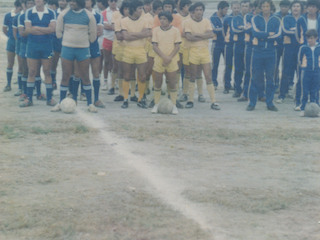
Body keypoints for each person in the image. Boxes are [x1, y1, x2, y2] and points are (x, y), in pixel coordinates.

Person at [52, 0, 98, 112]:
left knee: (85, 76)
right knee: (65, 75)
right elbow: (58, 32)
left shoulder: (89, 15)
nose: (71, 3)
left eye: (74, 1)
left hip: (83, 49)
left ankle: (90, 104)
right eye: (70, 1)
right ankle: (60, 103)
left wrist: (83, 41)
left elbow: (93, 35)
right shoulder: (63, 14)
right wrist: (68, 41)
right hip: (67, 49)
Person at [20, 0, 57, 107]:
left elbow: (52, 29)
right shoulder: (29, 12)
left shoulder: (51, 12)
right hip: (32, 47)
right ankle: (29, 99)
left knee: (47, 72)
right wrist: (44, 30)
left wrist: (36, 28)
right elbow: (28, 30)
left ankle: (49, 98)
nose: (37, 1)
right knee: (31, 71)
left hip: (48, 48)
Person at [184, 2, 220, 110]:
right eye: (197, 10)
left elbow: (211, 34)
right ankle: (190, 100)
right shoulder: (188, 22)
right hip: (193, 51)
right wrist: (204, 36)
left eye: (201, 9)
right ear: (193, 11)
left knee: (208, 76)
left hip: (204, 51)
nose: (199, 12)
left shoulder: (206, 21)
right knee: (192, 76)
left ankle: (213, 102)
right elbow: (189, 37)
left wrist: (198, 35)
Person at [247, 0, 281, 111]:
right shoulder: (255, 18)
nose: (265, 8)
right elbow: (255, 33)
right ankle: (252, 103)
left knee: (270, 78)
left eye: (267, 6)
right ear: (261, 8)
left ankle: (270, 103)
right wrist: (268, 34)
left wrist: (263, 36)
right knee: (256, 77)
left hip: (271, 52)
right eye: (263, 6)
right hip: (257, 51)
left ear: (271, 7)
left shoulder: (276, 20)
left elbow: (278, 35)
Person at [120, 0, 152, 109]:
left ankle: (140, 98)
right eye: (139, 8)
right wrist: (140, 35)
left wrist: (131, 34)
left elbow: (148, 33)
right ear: (133, 9)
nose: (141, 10)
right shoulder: (124, 21)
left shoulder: (145, 20)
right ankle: (125, 99)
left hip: (141, 50)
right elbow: (125, 36)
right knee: (127, 75)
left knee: (142, 76)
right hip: (128, 50)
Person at [151, 11, 181, 114]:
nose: (162, 21)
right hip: (159, 59)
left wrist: (169, 58)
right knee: (158, 82)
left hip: (171, 60)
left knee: (172, 83)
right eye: (161, 19)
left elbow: (177, 46)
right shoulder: (155, 30)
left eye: (165, 19)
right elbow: (155, 46)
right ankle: (156, 104)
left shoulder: (175, 31)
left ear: (169, 20)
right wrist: (164, 57)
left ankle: (174, 105)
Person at [276, 1, 303, 103]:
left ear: (301, 8)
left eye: (298, 6)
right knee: (286, 71)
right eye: (294, 6)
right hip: (289, 48)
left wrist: (294, 30)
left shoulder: (303, 18)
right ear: (291, 8)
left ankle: (299, 95)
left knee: (300, 71)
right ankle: (282, 95)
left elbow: (305, 32)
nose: (296, 8)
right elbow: (285, 31)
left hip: (300, 48)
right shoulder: (286, 18)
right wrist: (298, 31)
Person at [295, 0, 320, 109]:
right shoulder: (301, 19)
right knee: (301, 78)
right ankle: (299, 103)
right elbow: (297, 33)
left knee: (316, 81)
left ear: (317, 8)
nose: (311, 9)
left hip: (317, 49)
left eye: (314, 7)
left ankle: (315, 103)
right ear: (307, 8)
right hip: (305, 49)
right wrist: (303, 44)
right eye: (310, 7)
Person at [111, 0, 131, 102]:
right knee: (120, 69)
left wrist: (130, 36)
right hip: (120, 46)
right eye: (125, 9)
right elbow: (119, 35)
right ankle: (121, 93)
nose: (127, 11)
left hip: (132, 47)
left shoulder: (135, 20)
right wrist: (131, 36)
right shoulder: (118, 19)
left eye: (129, 9)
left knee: (131, 70)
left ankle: (130, 92)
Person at [297, 29, 320, 111]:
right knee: (305, 90)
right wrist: (304, 67)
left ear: (316, 38)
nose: (310, 40)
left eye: (312, 38)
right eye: (308, 38)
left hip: (317, 72)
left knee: (316, 89)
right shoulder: (303, 48)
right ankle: (302, 105)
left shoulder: (318, 48)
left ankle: (316, 105)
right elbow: (299, 60)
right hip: (306, 71)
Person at [17, 0, 35, 102]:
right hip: (24, 46)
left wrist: (32, 30)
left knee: (36, 70)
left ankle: (37, 91)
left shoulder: (37, 15)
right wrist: (35, 30)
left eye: (32, 3)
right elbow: (21, 34)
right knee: (25, 69)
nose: (31, 5)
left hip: (38, 46)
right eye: (29, 3)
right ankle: (24, 92)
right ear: (26, 5)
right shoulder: (21, 17)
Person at [231, 0, 250, 98]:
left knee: (248, 69)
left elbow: (254, 29)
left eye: (246, 6)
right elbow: (234, 29)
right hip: (238, 46)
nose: (245, 8)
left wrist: (243, 28)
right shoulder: (236, 18)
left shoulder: (252, 17)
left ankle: (247, 89)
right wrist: (246, 28)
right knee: (238, 68)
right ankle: (237, 89)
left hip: (249, 46)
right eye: (243, 6)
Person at [3, 0, 22, 92]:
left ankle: (20, 85)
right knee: (10, 63)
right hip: (11, 42)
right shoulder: (8, 15)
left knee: (21, 64)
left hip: (21, 42)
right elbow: (4, 29)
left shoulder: (23, 15)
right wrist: (11, 37)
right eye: (19, 7)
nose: (20, 9)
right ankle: (8, 83)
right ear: (16, 6)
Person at [210, 1, 229, 89]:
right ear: (220, 9)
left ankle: (227, 83)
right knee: (215, 64)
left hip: (225, 44)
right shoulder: (212, 18)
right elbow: (213, 30)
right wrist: (223, 30)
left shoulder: (227, 17)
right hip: (216, 43)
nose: (227, 11)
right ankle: (214, 82)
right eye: (225, 9)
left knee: (228, 64)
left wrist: (220, 29)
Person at [50, 0, 69, 90]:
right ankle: (53, 82)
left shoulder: (70, 13)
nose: (62, 2)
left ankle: (67, 85)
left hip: (68, 42)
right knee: (53, 64)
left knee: (67, 66)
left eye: (64, 0)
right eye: (60, 0)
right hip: (55, 42)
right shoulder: (53, 13)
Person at [222, 1, 240, 94]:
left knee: (238, 66)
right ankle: (227, 86)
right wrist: (227, 39)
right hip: (229, 45)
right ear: (231, 8)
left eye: (238, 8)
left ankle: (237, 85)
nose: (236, 10)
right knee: (228, 65)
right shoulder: (227, 18)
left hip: (238, 45)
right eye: (234, 8)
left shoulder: (241, 18)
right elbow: (224, 30)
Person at [101, 0, 118, 93]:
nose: (113, 3)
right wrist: (115, 27)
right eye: (111, 1)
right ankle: (105, 81)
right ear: (108, 2)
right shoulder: (104, 12)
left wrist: (112, 26)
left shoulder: (120, 12)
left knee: (116, 62)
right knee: (106, 61)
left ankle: (114, 81)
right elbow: (105, 26)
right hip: (107, 39)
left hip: (117, 40)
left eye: (115, 1)